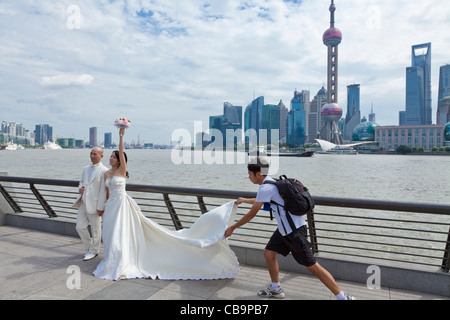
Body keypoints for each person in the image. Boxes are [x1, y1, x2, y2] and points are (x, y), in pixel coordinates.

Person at [93, 127, 239, 281]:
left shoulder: (122, 170)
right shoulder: (106, 173)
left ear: (120, 160)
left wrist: (121, 136)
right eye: (110, 157)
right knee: (110, 233)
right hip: (111, 206)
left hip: (122, 205)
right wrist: (102, 207)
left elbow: (121, 151)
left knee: (120, 232)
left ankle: (121, 260)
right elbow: (106, 193)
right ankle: (112, 259)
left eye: (114, 157)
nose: (111, 159)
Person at [224, 157, 355, 300]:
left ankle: (342, 297)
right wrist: (245, 200)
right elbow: (262, 199)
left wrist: (233, 227)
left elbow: (251, 214)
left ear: (258, 174)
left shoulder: (266, 187)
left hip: (294, 232)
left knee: (313, 266)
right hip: (284, 230)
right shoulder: (272, 183)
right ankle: (276, 288)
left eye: (250, 174)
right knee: (269, 252)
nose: (248, 177)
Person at [73, 147, 108, 261]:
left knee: (96, 230)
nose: (92, 156)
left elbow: (103, 190)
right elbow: (82, 182)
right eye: (91, 153)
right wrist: (80, 188)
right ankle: (89, 247)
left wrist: (101, 207)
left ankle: (94, 251)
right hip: (83, 202)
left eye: (95, 154)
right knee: (80, 226)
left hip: (95, 204)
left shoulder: (104, 171)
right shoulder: (86, 168)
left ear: (101, 156)